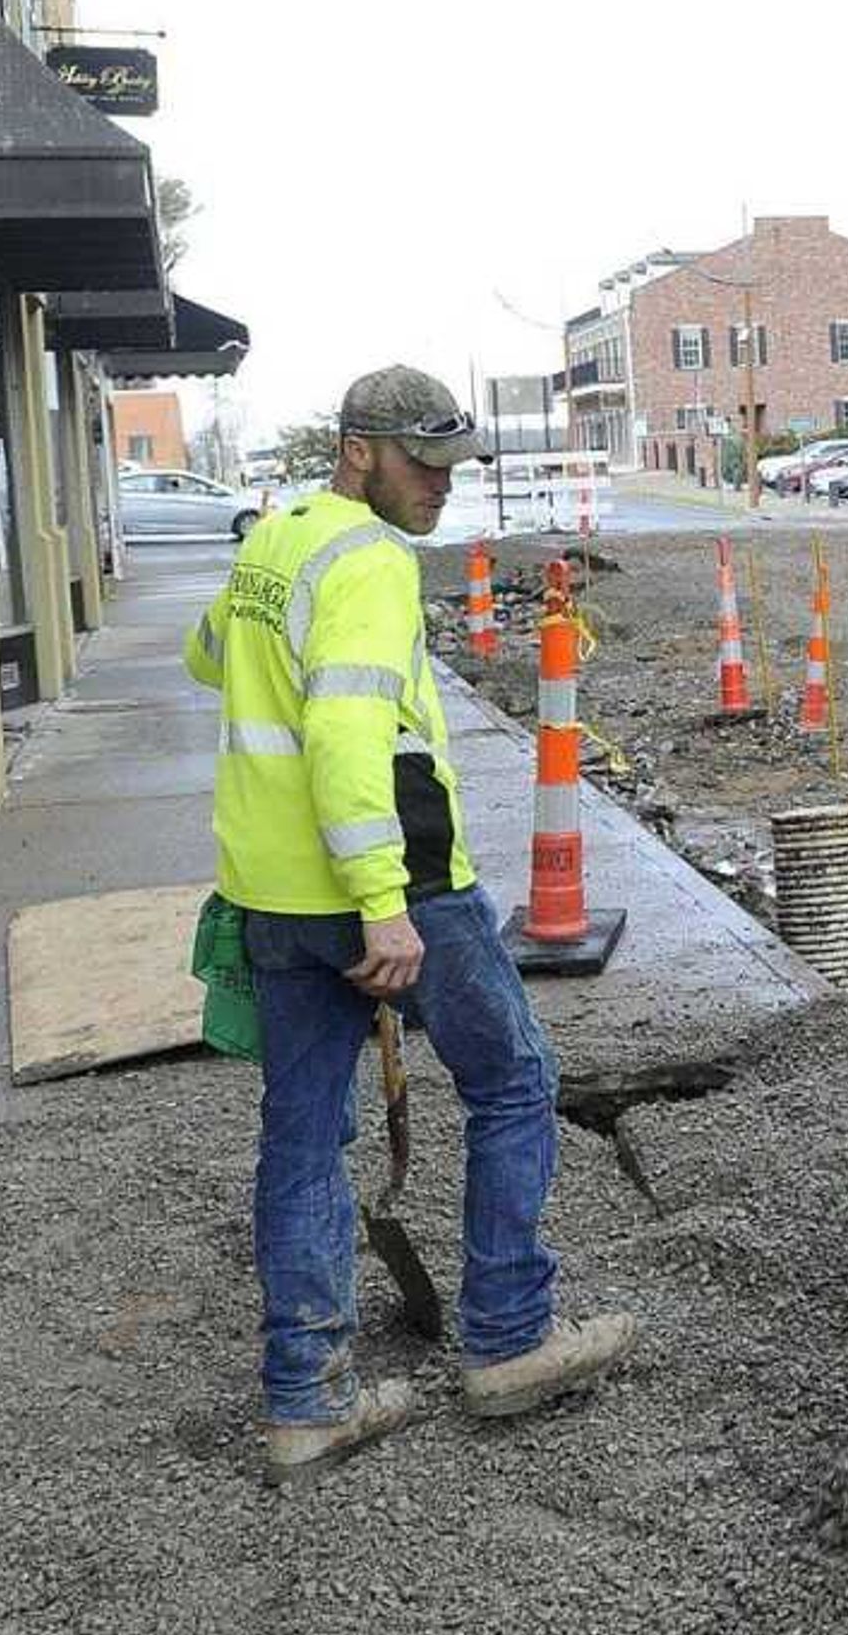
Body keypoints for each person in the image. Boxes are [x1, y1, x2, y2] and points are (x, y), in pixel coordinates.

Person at [187, 366, 637, 1484]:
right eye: (421, 463)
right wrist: (382, 901)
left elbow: (211, 655)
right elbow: (345, 734)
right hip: (391, 883)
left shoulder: (279, 538)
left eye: (451, 465)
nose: (442, 486)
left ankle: (305, 1402)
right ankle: (509, 1338)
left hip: (275, 895)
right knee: (515, 1080)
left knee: (302, 1136)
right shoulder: (371, 561)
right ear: (358, 452)